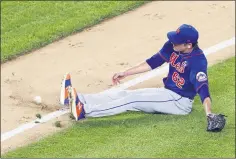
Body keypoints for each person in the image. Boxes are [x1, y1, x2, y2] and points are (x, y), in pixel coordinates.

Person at [60, 24, 226, 132]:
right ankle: (79, 99)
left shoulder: (198, 61)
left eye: (177, 41)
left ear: (188, 45)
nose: (172, 42)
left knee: (132, 101)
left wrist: (209, 113)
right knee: (125, 94)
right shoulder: (173, 47)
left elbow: (203, 89)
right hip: (167, 93)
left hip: (179, 102)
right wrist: (126, 72)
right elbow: (153, 62)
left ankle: (85, 111)